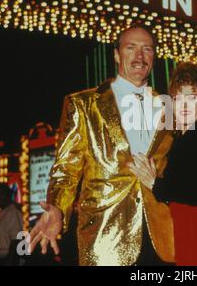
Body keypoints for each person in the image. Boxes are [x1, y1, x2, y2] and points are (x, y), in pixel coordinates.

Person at [29, 24, 175, 266]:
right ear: (117, 55)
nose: (139, 56)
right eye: (131, 48)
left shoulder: (172, 107)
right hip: (106, 235)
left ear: (154, 57)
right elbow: (67, 169)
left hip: (165, 236)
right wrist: (57, 208)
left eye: (147, 49)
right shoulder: (83, 104)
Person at [129, 63, 197, 265]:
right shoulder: (185, 138)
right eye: (178, 98)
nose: (184, 105)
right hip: (190, 233)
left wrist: (155, 184)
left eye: (192, 97)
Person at [0, 183, 23, 265]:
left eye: (1, 194)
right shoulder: (2, 213)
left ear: (8, 195)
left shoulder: (12, 213)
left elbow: (16, 241)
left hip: (6, 260)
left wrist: (11, 262)